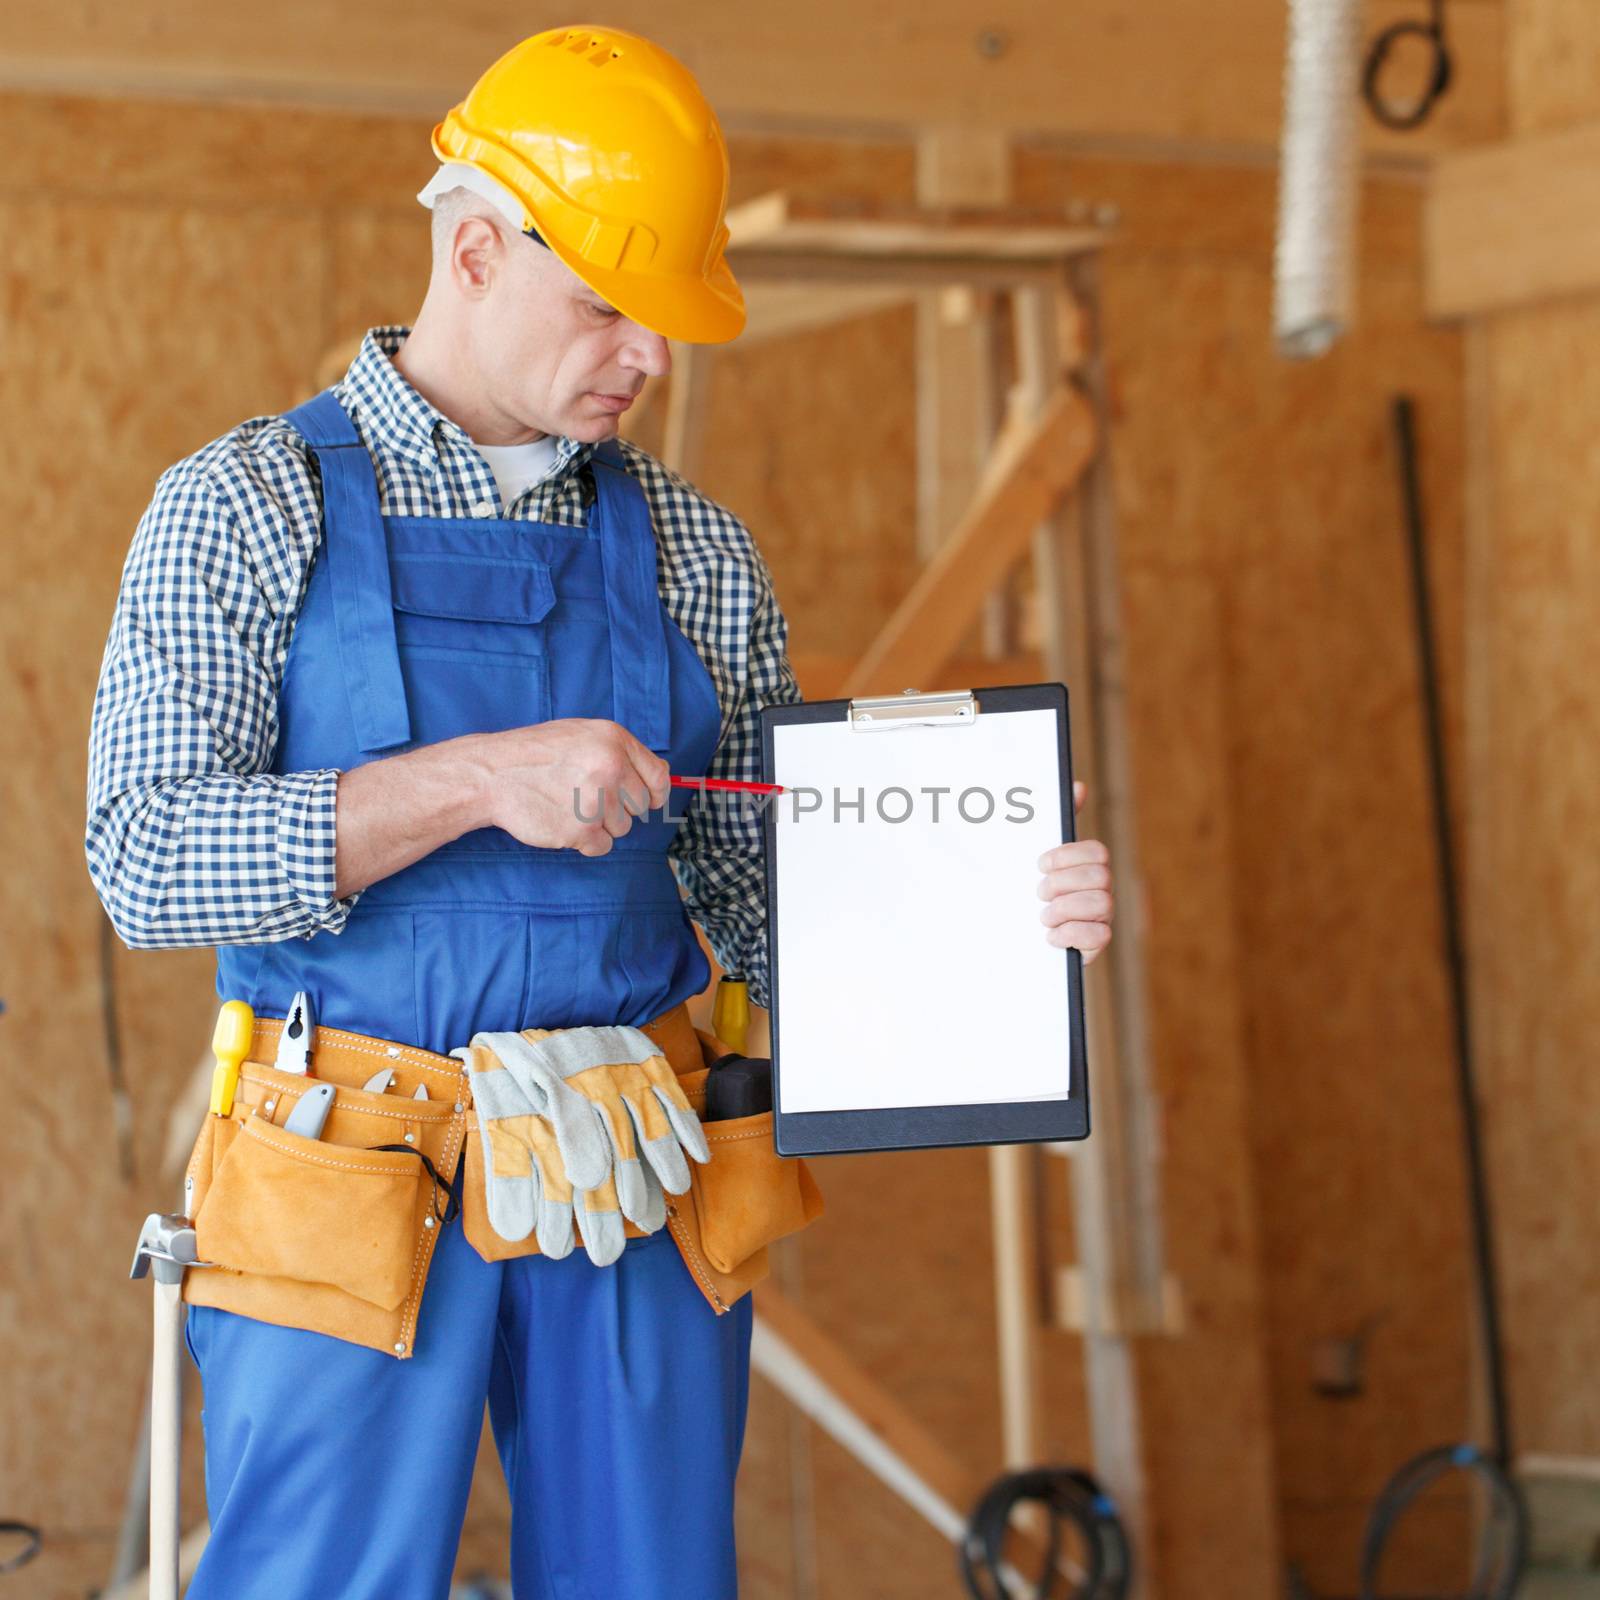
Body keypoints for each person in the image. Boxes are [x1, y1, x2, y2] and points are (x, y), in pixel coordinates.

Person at [85, 25, 1115, 1599]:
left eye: (667, 319)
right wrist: (477, 780)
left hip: (628, 1174)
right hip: (349, 1173)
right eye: (605, 306)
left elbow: (773, 902)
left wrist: (1000, 910)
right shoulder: (241, 507)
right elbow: (150, 862)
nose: (643, 354)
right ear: (477, 250)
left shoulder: (696, 549)